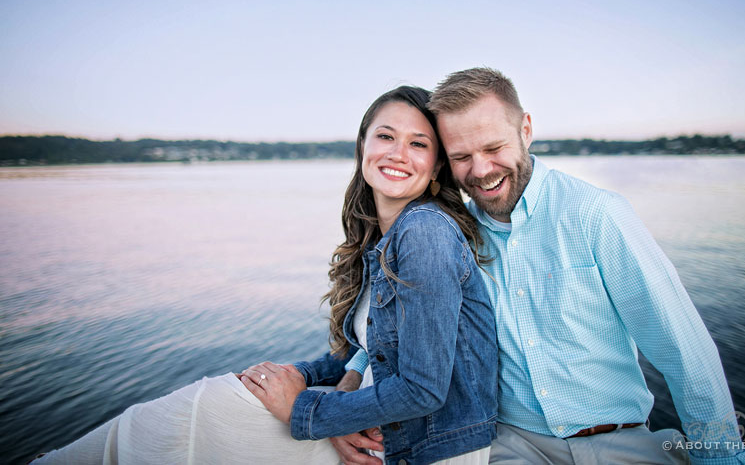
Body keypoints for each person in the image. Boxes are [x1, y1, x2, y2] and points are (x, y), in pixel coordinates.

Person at [32, 86, 498, 465]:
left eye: (419, 144)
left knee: (199, 411)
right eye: (386, 137)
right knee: (220, 401)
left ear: (436, 166)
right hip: (385, 425)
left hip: (428, 446)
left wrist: (306, 411)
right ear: (362, 147)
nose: (399, 153)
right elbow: (370, 347)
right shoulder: (383, 237)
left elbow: (423, 389)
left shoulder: (424, 232)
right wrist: (298, 372)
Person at [344, 68, 745, 465]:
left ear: (525, 130)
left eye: (493, 148)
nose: (482, 170)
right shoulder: (456, 235)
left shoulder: (596, 214)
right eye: (462, 157)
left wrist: (722, 455)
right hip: (509, 444)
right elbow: (396, 321)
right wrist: (352, 376)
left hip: (618, 439)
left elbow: (681, 348)